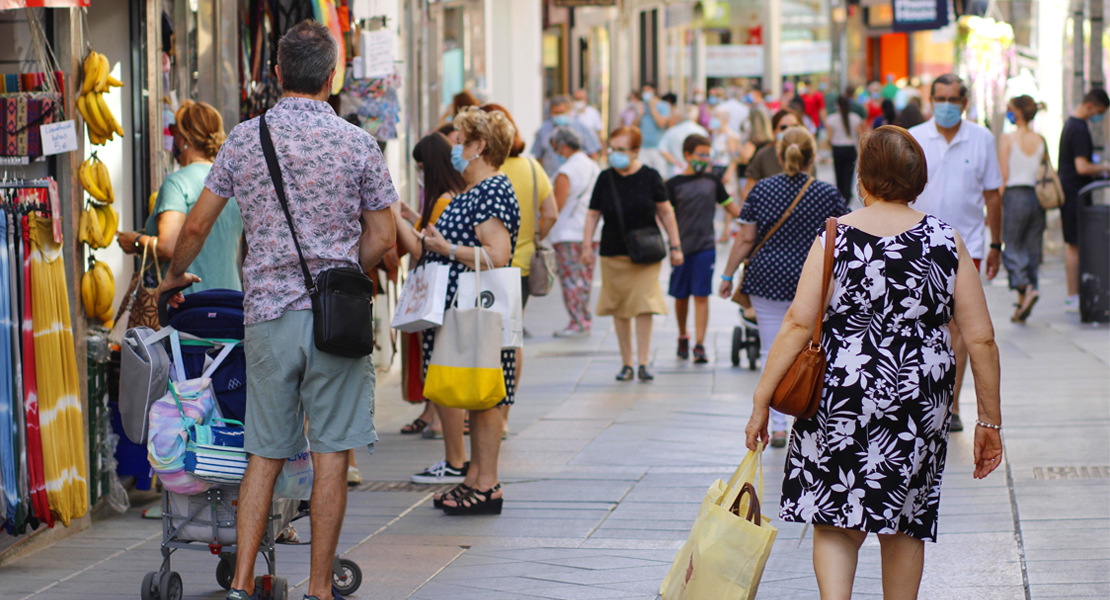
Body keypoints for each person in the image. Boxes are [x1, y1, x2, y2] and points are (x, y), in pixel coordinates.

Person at [157, 21, 397, 600]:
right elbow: (385, 235)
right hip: (335, 323)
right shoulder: (358, 142)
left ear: (278, 73)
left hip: (265, 314)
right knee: (332, 453)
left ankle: (240, 583)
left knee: (262, 451)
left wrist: (171, 278)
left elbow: (195, 224)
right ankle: (318, 588)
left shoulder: (245, 138)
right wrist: (340, 271)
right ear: (333, 75)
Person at [745, 125, 1003, 599]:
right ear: (918, 178)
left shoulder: (834, 238)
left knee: (836, 522)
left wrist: (764, 399)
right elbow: (981, 339)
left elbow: (798, 325)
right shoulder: (946, 241)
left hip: (839, 392)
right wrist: (990, 419)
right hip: (917, 396)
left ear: (862, 177)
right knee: (904, 524)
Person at [419, 106, 521, 516]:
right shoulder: (477, 191)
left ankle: (487, 482)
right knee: (477, 397)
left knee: (488, 397)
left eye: (460, 141)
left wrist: (446, 249)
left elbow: (498, 253)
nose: (455, 149)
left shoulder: (493, 188)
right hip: (465, 310)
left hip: (481, 313)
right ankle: (475, 477)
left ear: (480, 146)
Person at [720, 126, 847, 448]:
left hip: (766, 277)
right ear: (812, 157)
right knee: (810, 349)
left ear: (778, 155)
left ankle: (776, 425)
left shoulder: (761, 190)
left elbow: (746, 238)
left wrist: (727, 274)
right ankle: (804, 414)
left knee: (770, 348)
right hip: (811, 279)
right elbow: (843, 239)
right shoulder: (826, 193)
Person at [909, 73, 1003, 433]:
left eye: (953, 99)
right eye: (940, 98)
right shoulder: (915, 138)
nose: (946, 105)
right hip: (917, 246)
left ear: (964, 103)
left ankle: (950, 405)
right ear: (930, 99)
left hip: (968, 247)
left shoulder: (982, 139)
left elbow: (993, 195)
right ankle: (921, 396)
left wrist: (996, 244)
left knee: (958, 328)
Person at [582, 126, 683, 382]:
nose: (614, 154)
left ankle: (644, 363)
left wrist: (676, 245)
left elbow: (666, 212)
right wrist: (586, 246)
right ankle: (627, 363)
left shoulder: (650, 176)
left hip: (646, 253)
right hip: (613, 252)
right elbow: (593, 213)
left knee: (644, 306)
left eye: (620, 149)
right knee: (620, 308)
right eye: (612, 149)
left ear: (636, 151)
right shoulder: (605, 178)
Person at [483, 102, 558, 436]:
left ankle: (481, 409)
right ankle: (503, 415)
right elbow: (551, 212)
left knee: (483, 340)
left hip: (482, 265)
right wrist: (531, 237)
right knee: (511, 340)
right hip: (522, 265)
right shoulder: (531, 168)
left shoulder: (483, 171)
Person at [117, 100, 243, 294]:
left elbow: (168, 247)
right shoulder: (232, 182)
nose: (173, 139)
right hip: (230, 299)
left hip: (191, 307)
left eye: (174, 132)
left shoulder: (177, 183)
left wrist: (136, 241)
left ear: (186, 139)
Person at [393, 132, 466, 452]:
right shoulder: (455, 193)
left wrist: (395, 218)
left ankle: (449, 444)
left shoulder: (443, 199)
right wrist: (411, 216)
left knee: (436, 362)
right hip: (452, 291)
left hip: (438, 293)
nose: (419, 172)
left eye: (421, 166)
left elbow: (424, 248)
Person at [667, 134, 740, 363]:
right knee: (681, 296)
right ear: (687, 155)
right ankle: (682, 336)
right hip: (680, 249)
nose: (705, 159)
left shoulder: (712, 181)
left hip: (705, 247)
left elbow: (731, 208)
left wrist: (752, 221)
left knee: (701, 295)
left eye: (708, 155)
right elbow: (664, 214)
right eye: (701, 154)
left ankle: (699, 344)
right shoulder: (673, 185)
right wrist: (671, 244)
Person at [1058, 88, 1110, 312]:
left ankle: (1075, 294)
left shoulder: (1072, 123)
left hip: (1071, 192)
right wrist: (1104, 167)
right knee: (1076, 244)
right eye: (1099, 112)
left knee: (1075, 243)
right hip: (1074, 194)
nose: (1099, 117)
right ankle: (1074, 296)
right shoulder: (1079, 128)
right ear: (1091, 106)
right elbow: (1082, 166)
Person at [998, 96, 1049, 323]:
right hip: (1036, 197)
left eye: (1010, 109)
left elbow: (1003, 175)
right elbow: (1045, 170)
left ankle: (1025, 286)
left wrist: (994, 206)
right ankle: (1024, 300)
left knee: (1011, 246)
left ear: (1017, 112)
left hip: (1014, 195)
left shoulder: (1007, 138)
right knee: (1031, 249)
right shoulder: (1040, 140)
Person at [547, 127, 601, 338]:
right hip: (591, 232)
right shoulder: (594, 167)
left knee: (570, 279)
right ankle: (584, 319)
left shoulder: (566, 171)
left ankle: (577, 321)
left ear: (563, 146)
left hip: (568, 233)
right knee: (585, 279)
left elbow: (556, 206)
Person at [741, 109, 815, 200]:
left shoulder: (806, 151)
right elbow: (747, 192)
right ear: (774, 131)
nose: (789, 131)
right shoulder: (763, 156)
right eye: (783, 127)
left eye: (794, 126)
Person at [533, 95, 602, 177]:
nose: (559, 115)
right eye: (556, 113)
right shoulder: (543, 130)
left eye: (562, 112)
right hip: (552, 178)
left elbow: (593, 153)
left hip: (577, 179)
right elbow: (538, 157)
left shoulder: (580, 127)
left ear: (568, 110)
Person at [827, 92, 866, 202]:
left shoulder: (831, 119)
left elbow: (829, 138)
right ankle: (847, 197)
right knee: (848, 176)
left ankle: (840, 198)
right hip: (850, 149)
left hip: (838, 149)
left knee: (839, 175)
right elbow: (861, 135)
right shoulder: (855, 118)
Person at [658, 105, 710, 177]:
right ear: (697, 116)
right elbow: (709, 152)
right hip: (696, 173)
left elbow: (662, 148)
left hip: (675, 172)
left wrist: (675, 161)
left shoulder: (672, 131)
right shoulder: (701, 131)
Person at [635, 83, 673, 175]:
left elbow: (661, 123)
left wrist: (652, 107)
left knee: (660, 175)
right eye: (644, 91)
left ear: (654, 91)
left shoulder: (664, 106)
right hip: (643, 148)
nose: (646, 93)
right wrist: (639, 114)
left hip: (658, 148)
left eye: (648, 91)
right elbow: (634, 126)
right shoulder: (640, 106)